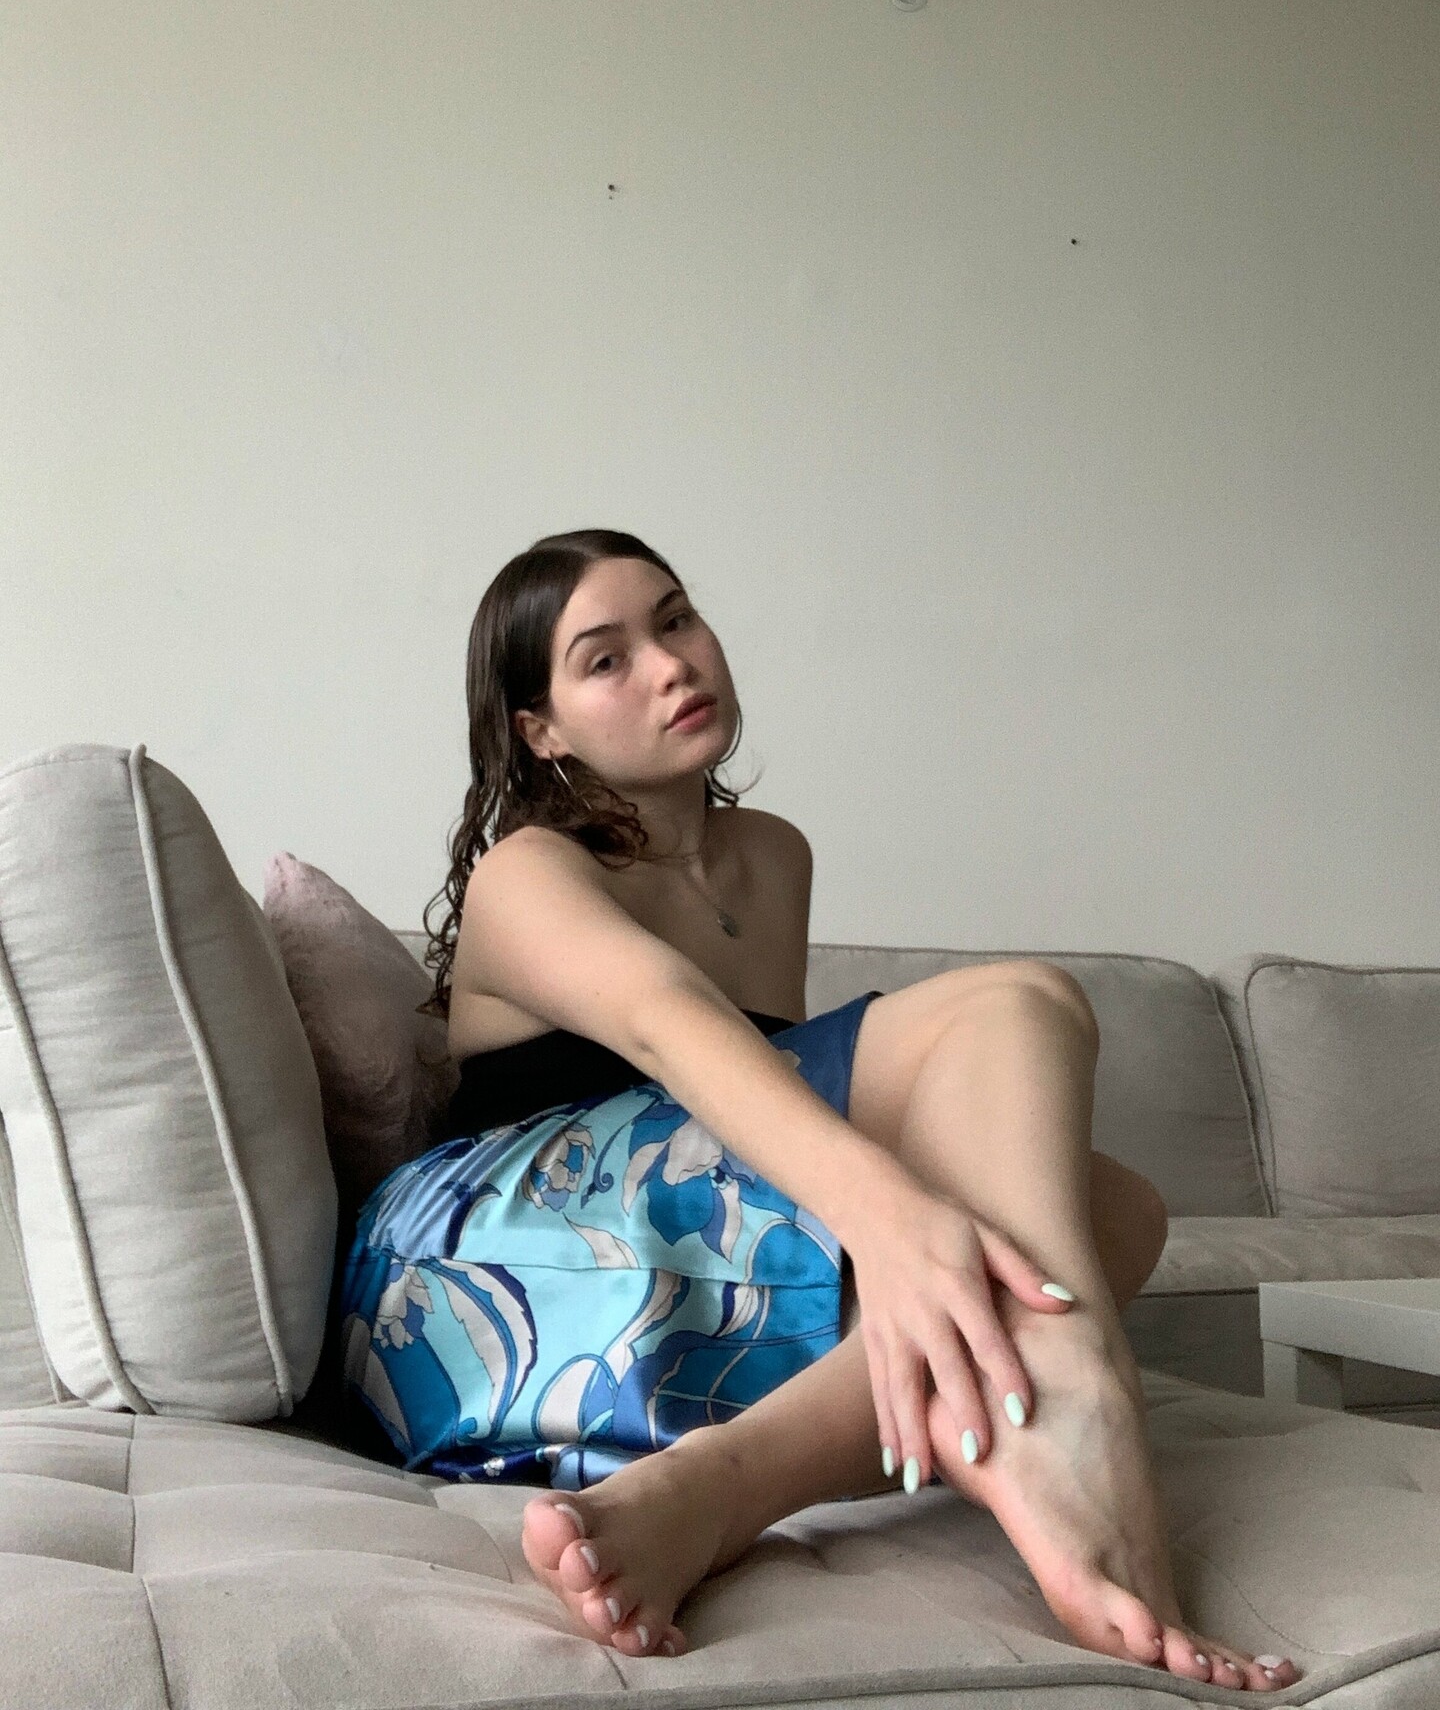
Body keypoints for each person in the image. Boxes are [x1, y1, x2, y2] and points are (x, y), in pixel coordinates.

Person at [338, 528, 1298, 1692]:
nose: (671, 664)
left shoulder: (771, 856)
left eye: (676, 619)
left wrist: (903, 1224)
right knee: (1014, 1009)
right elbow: (669, 1028)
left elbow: (772, 1108)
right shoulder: (529, 869)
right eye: (606, 659)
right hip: (476, 1277)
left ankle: (715, 1487)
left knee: (1119, 1210)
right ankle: (1077, 1409)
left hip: (676, 1248)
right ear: (542, 730)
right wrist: (889, 1219)